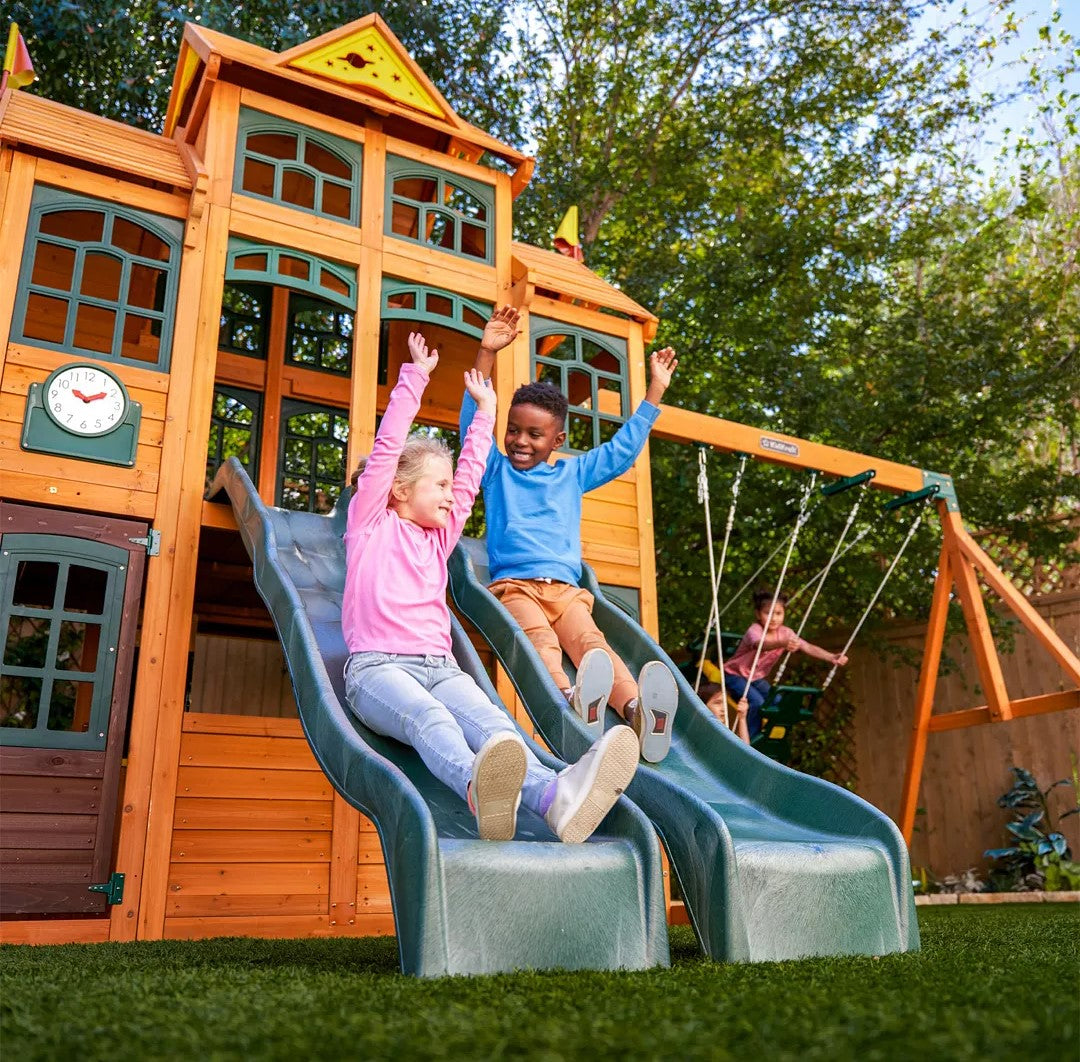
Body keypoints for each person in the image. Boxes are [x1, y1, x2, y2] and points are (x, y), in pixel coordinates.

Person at [342, 330, 639, 844]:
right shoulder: (370, 524)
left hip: (441, 666)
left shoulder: (440, 539)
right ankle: (477, 788)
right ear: (397, 489)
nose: (451, 493)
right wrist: (416, 377)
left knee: (497, 727)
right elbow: (390, 444)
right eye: (439, 484)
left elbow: (475, 467)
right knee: (430, 718)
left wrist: (488, 409)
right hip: (377, 667)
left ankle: (554, 798)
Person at [460, 305, 680, 763]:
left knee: (591, 644)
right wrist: (486, 353)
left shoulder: (573, 474)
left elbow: (622, 450)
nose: (521, 441)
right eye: (514, 431)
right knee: (539, 641)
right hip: (516, 587)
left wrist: (654, 390)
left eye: (534, 435)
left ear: (556, 441)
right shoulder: (495, 470)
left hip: (566, 589)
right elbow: (472, 424)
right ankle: (568, 698)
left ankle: (639, 710)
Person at [723, 588, 848, 742]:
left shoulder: (785, 632)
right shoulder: (755, 630)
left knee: (778, 702)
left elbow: (807, 647)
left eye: (778, 613)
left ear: (784, 614)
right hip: (734, 674)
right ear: (757, 614)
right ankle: (750, 741)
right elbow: (761, 644)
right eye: (768, 613)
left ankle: (769, 738)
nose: (773, 618)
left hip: (755, 678)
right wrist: (782, 643)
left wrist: (831, 656)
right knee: (757, 702)